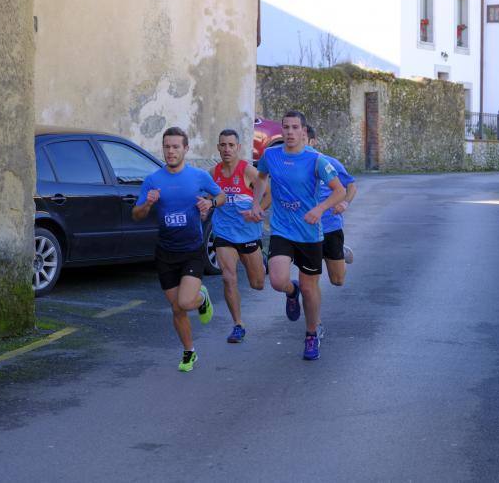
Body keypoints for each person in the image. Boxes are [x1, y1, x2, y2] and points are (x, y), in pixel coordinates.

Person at [244, 111, 346, 360]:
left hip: (310, 234)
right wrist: (256, 204)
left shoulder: (317, 160)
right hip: (282, 229)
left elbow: (340, 190)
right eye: (286, 127)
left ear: (303, 132)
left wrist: (319, 209)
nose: (289, 132)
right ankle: (291, 291)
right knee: (278, 280)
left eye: (294, 128)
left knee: (311, 289)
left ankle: (312, 333)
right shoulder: (270, 155)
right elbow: (260, 178)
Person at [133, 127, 226, 372]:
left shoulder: (198, 177)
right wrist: (148, 204)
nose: (171, 151)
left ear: (186, 149)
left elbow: (221, 195)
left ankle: (202, 297)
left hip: (192, 250)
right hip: (165, 252)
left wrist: (210, 202)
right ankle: (189, 352)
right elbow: (137, 214)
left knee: (185, 302)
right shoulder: (153, 180)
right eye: (167, 146)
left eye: (176, 147)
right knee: (176, 308)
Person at [208, 129, 270, 344]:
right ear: (218, 147)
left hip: (248, 233)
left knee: (258, 284)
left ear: (238, 148)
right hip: (224, 233)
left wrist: (258, 210)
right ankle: (238, 325)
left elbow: (268, 192)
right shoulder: (212, 173)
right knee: (228, 277)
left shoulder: (248, 170)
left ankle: (262, 262)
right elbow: (206, 197)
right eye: (223, 145)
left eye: (231, 145)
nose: (226, 149)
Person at [304, 125, 357, 287]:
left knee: (337, 280)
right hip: (305, 228)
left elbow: (351, 186)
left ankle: (338, 253)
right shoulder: (292, 166)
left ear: (313, 142)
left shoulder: (329, 163)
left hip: (330, 226)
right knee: (309, 280)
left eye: (304, 140)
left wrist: (344, 202)